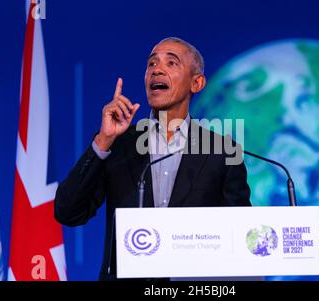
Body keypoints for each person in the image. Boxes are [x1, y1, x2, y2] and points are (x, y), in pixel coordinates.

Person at [54, 37, 251, 280]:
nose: (157, 69)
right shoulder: (119, 143)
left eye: (171, 63)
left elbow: (239, 239)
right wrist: (103, 141)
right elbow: (68, 211)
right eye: (151, 64)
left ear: (197, 83)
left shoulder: (221, 151)